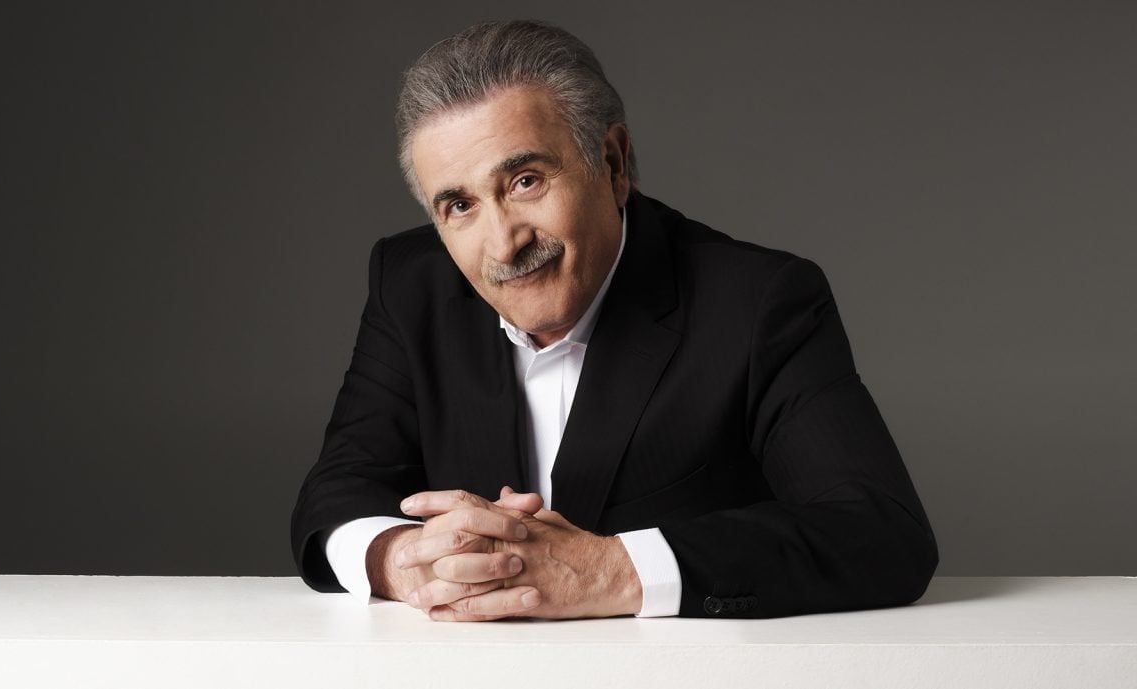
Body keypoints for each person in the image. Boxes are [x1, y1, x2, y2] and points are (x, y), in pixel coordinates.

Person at [290, 19, 938, 621]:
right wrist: (407, 559)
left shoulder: (758, 301)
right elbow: (336, 495)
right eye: (460, 205)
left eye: (525, 181)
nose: (504, 244)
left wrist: (609, 570)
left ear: (613, 162)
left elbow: (882, 533)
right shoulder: (409, 286)